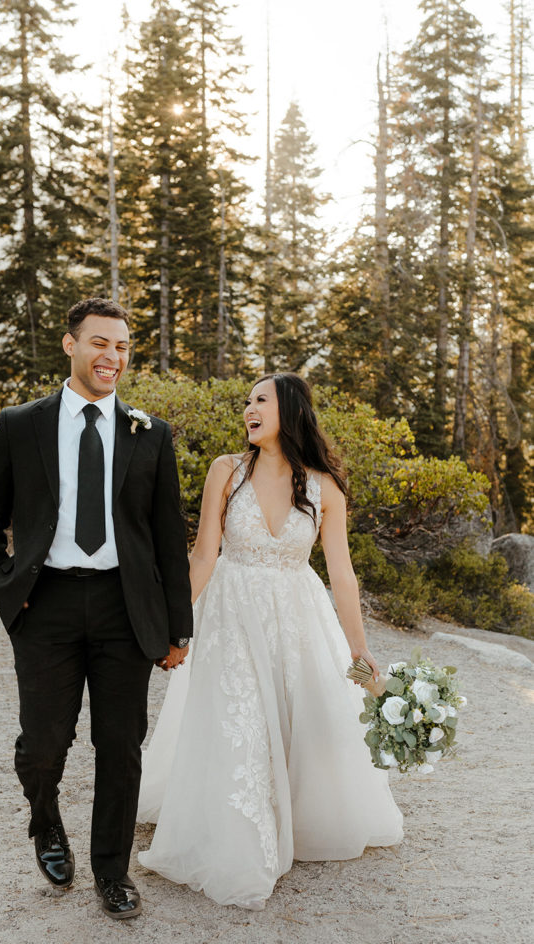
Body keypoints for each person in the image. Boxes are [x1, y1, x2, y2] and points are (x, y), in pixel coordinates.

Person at [137, 372, 403, 909]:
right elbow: (204, 555)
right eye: (246, 402)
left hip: (298, 614)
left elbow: (342, 573)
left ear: (291, 410)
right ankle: (240, 835)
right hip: (232, 613)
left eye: (261, 400)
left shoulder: (324, 486)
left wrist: (360, 651)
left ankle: (294, 816)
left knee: (296, 715)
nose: (248, 409)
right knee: (243, 720)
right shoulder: (226, 471)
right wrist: (175, 626)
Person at [0, 297, 192, 921]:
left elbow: (169, 538)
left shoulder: (150, 433)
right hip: (47, 605)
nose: (112, 357)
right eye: (100, 343)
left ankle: (112, 872)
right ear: (70, 345)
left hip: (126, 608)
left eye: (121, 346)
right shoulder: (22, 424)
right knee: (44, 743)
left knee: (121, 746)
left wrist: (179, 626)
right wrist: (2, 586)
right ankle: (45, 823)